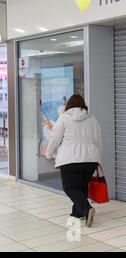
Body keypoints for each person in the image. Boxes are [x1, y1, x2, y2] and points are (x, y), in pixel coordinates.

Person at [44, 94, 102, 227]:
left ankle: (87, 209)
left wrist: (48, 153)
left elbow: (55, 137)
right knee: (81, 186)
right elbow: (98, 140)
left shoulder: (64, 118)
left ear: (68, 105)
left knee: (70, 187)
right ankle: (78, 213)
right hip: (91, 158)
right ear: (83, 105)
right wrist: (98, 157)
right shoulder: (92, 118)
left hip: (70, 158)